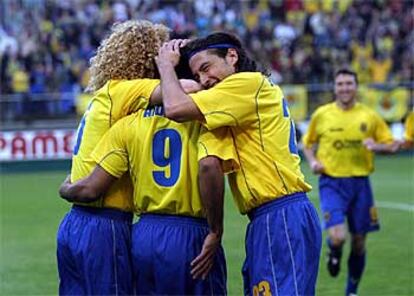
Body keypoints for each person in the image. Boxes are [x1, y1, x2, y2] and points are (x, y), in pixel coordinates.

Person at [155, 32, 322, 295]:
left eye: (206, 68)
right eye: (197, 76)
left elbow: (175, 108)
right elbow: (210, 163)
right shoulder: (230, 110)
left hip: (281, 215)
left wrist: (165, 65)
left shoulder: (246, 84)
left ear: (232, 56)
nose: (204, 80)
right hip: (267, 218)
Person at [59, 103, 235, 294]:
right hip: (190, 233)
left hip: (143, 236)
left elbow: (92, 186)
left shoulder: (127, 124)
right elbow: (209, 166)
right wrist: (216, 229)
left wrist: (65, 188)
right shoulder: (206, 117)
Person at [56, 20, 174, 295]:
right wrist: (170, 65)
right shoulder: (125, 91)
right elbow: (178, 93)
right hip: (105, 224)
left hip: (74, 223)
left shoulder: (104, 96)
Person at [302, 68, 399, 295]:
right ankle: (333, 251)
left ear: (356, 87)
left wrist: (378, 147)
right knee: (337, 237)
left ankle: (351, 291)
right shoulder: (322, 114)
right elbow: (307, 143)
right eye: (340, 84)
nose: (345, 88)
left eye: (349, 83)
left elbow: (392, 144)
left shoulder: (369, 116)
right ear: (334, 88)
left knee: (359, 243)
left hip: (360, 184)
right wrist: (314, 161)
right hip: (332, 183)